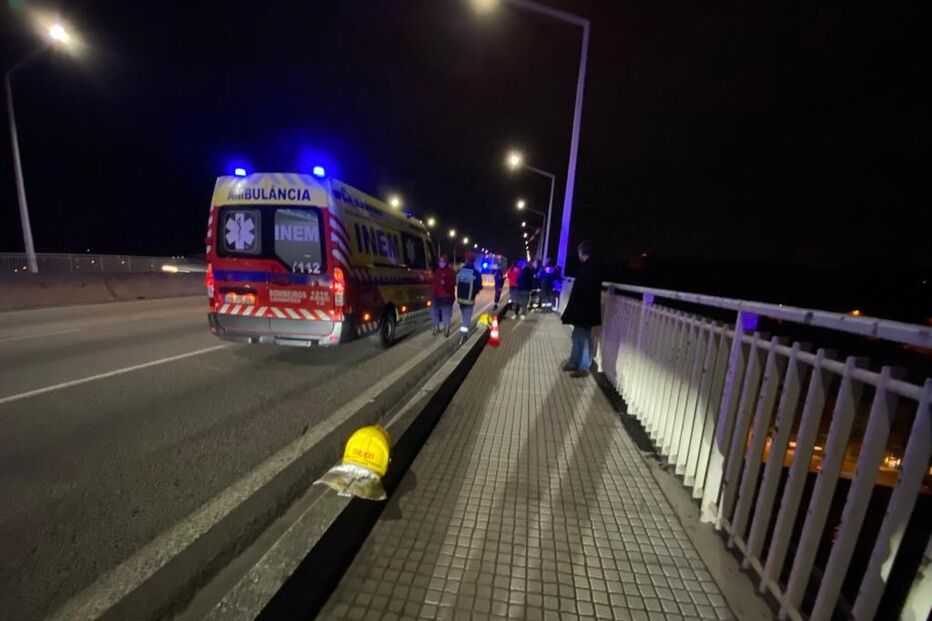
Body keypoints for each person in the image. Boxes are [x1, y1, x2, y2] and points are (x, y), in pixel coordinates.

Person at [561, 241, 602, 378]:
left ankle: (583, 367)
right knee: (577, 336)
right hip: (582, 310)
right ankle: (574, 362)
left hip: (584, 311)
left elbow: (586, 292)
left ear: (582, 252)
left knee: (583, 338)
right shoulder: (589, 267)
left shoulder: (590, 268)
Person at [456, 251, 483, 344]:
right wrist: (477, 290)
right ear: (474, 260)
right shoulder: (476, 273)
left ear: (466, 259)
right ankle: (463, 336)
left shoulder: (460, 270)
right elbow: (479, 286)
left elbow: (457, 282)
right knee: (466, 318)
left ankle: (464, 331)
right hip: (469, 299)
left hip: (460, 299)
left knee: (464, 316)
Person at [430, 255, 455, 337]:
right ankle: (436, 327)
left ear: (446, 262)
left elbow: (453, 283)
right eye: (440, 261)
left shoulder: (451, 272)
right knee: (434, 312)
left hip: (447, 297)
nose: (441, 263)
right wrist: (423, 278)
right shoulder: (437, 271)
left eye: (443, 261)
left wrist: (445, 283)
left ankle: (446, 329)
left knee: (446, 313)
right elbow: (433, 280)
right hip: (436, 296)